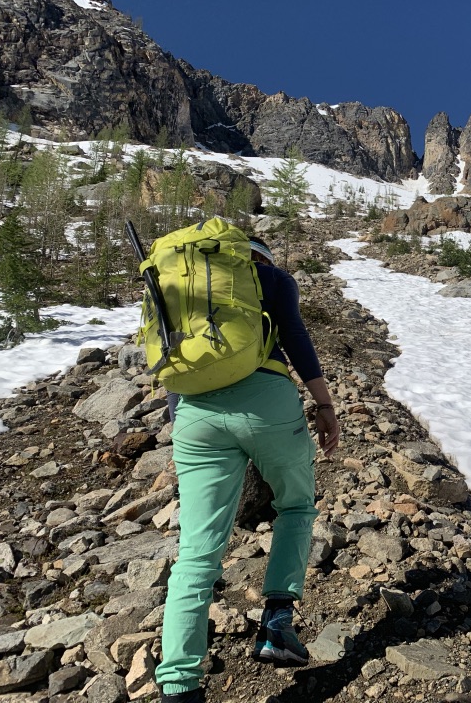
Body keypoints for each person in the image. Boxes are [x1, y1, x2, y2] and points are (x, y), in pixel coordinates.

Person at [156, 237, 340, 703]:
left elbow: (174, 359)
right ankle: (276, 625)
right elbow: (295, 336)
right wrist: (324, 403)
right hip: (268, 402)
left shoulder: (179, 285)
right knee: (296, 506)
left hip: (193, 413)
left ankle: (178, 684)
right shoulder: (274, 279)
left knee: (196, 551)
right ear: (258, 260)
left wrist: (185, 424)